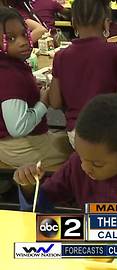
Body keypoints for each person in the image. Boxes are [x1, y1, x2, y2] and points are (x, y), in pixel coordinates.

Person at [14, 94, 117, 212]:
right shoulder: (78, 164)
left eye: (97, 164)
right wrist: (29, 186)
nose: (85, 167)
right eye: (81, 157)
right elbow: (41, 205)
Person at [48, 0, 117, 148]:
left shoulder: (61, 55)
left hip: (76, 135)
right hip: (109, 133)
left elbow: (55, 102)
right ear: (106, 23)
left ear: (73, 23)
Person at [0, 7, 70, 168]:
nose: (22, 41)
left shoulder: (11, 64)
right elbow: (18, 127)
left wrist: (31, 90)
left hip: (14, 143)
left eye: (24, 34)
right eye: (10, 38)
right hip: (18, 147)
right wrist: (43, 103)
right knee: (80, 148)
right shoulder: (9, 75)